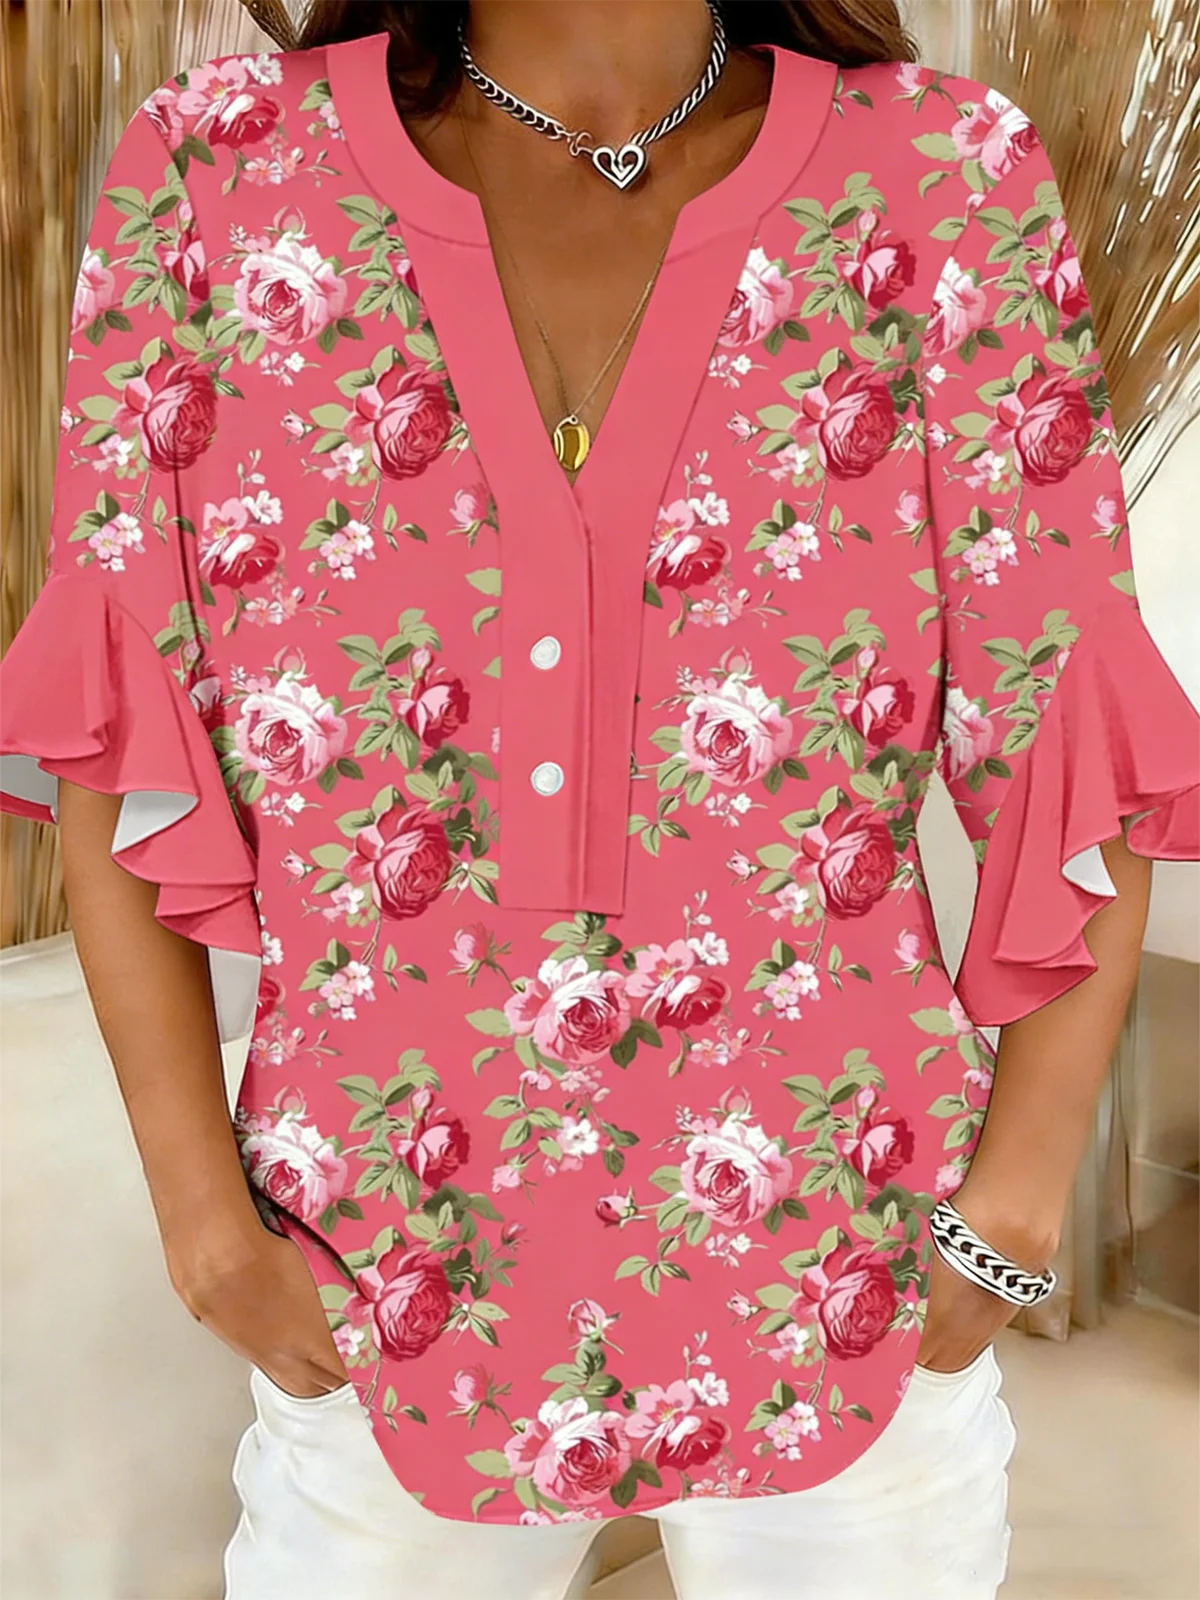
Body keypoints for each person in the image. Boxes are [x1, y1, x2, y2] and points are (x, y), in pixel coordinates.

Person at [2, 1, 1197, 1596]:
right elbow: (111, 727)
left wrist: (1019, 1203)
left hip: (854, 1269)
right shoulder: (218, 170)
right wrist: (203, 1224)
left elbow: (1074, 731)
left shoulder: (942, 176)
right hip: (376, 1283)